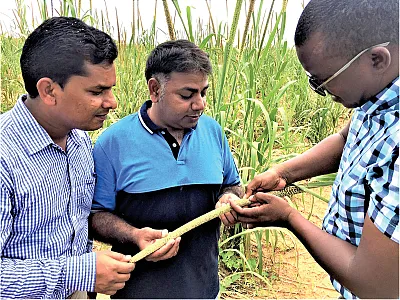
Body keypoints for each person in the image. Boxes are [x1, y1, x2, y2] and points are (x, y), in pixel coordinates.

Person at [220, 0, 399, 298]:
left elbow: (375, 284)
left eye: (323, 81)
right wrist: (283, 173)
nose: (320, 91)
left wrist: (289, 218)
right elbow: (347, 138)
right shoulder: (379, 91)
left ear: (377, 59)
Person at [89, 39, 244, 299]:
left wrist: (229, 197)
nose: (200, 105)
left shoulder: (213, 132)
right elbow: (96, 216)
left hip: (205, 290)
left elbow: (232, 183)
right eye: (187, 95)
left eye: (203, 93)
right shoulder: (113, 142)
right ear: (155, 89)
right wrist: (135, 235)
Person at [0, 17, 135, 299]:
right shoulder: (5, 158)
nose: (112, 102)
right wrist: (79, 272)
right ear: (49, 90)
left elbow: (77, 222)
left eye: (110, 88)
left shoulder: (79, 140)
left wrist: (134, 236)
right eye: (97, 91)